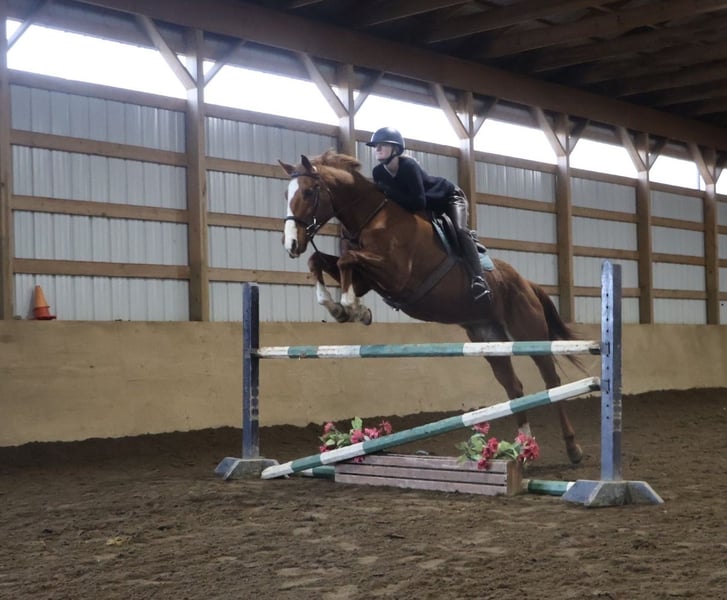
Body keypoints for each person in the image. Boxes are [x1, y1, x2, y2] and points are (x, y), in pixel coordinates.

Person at [366, 127, 490, 300]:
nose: (377, 149)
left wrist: (388, 191)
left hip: (449, 198)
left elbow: (418, 202)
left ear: (395, 149)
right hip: (429, 206)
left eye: (383, 145)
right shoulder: (378, 172)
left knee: (460, 230)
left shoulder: (408, 167)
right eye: (375, 146)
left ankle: (479, 279)